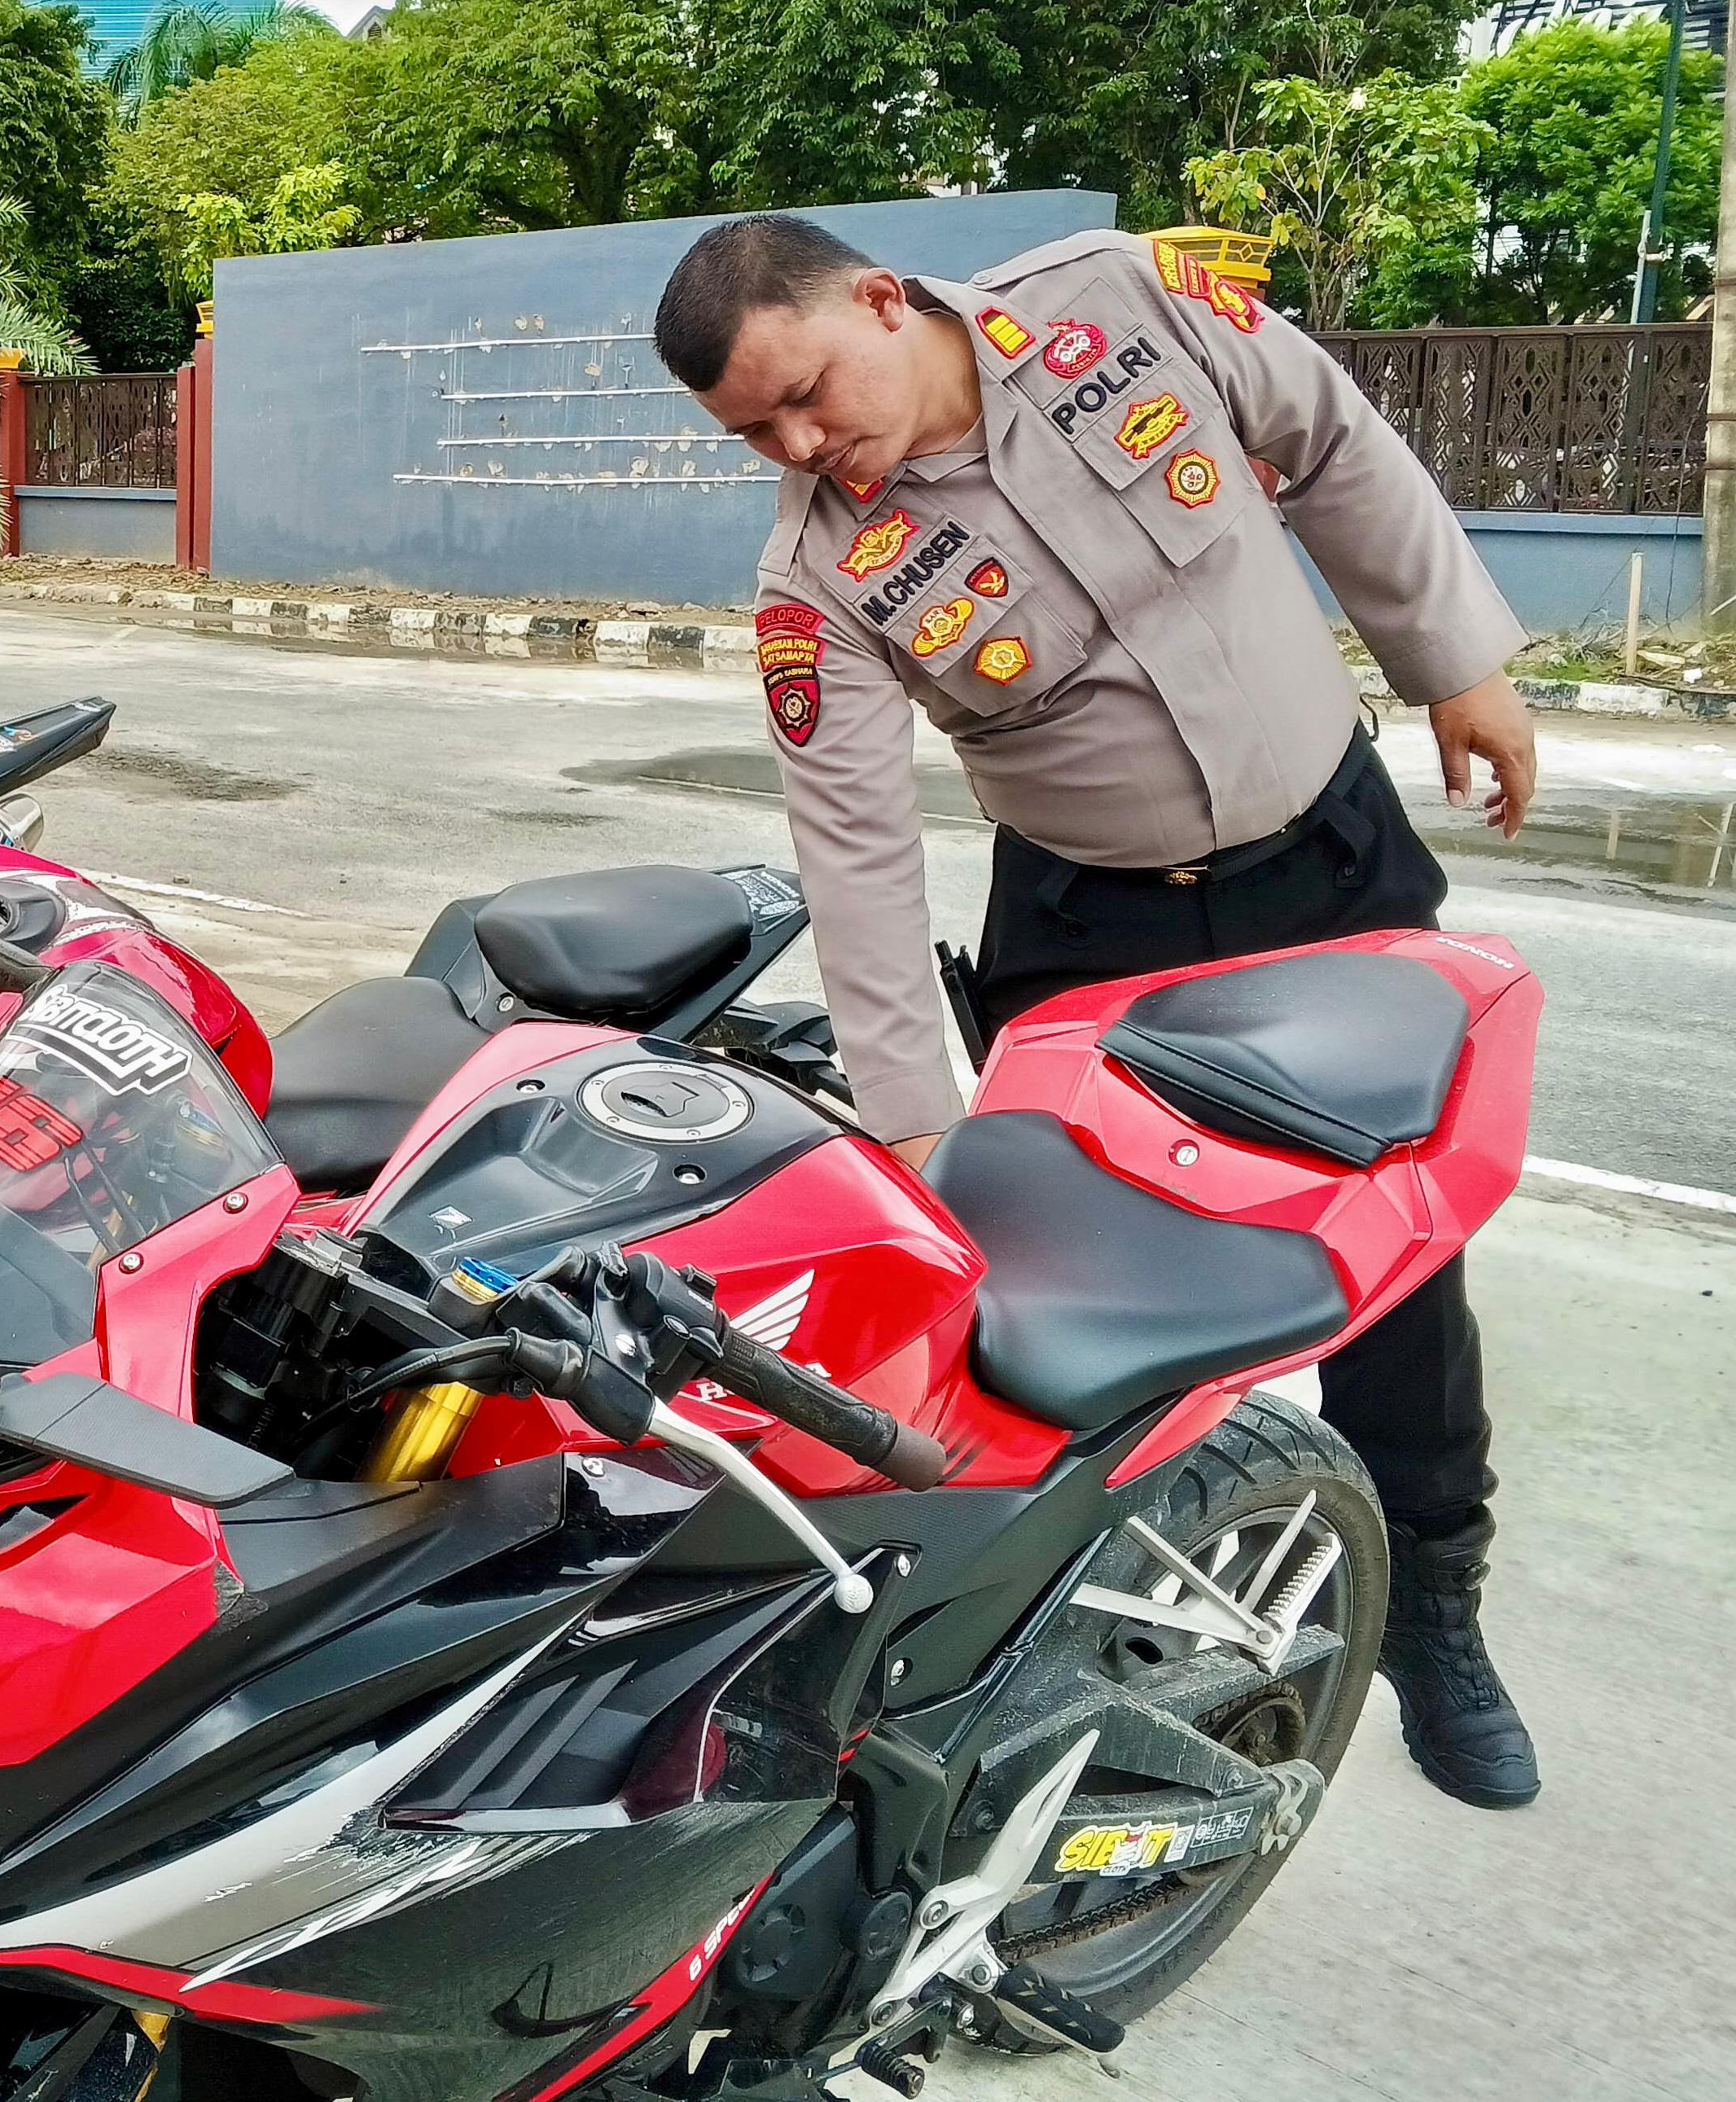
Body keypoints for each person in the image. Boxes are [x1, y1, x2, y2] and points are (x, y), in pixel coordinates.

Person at [655, 215, 1541, 1810]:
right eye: (753, 436)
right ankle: (1091, 1660)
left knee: (1399, 1282)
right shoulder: (817, 572)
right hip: (1095, 938)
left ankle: (1434, 1615)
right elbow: (853, 845)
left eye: (805, 394)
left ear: (879, 296)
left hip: (1324, 869)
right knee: (1084, 1326)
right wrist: (919, 1117)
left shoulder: (1123, 306)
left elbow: (1327, 441)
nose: (798, 445)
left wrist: (1454, 657)